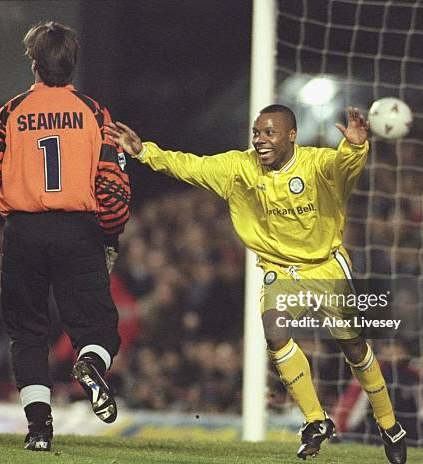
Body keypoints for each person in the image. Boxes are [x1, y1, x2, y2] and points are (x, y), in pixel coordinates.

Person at [106, 105, 407, 463]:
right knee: (275, 330)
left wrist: (355, 148)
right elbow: (190, 165)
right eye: (257, 133)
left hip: (324, 265)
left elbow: (343, 167)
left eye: (269, 133)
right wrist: (143, 152)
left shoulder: (315, 164)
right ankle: (315, 420)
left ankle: (389, 424)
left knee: (354, 347)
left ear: (291, 136)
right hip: (279, 269)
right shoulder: (239, 167)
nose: (260, 140)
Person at [0, 21, 130, 451]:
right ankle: (90, 363)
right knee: (98, 328)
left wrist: (14, 180)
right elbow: (114, 187)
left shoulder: (11, 111)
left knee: (28, 332)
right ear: (72, 64)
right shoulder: (96, 113)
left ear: (34, 64)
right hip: (79, 231)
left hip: (24, 231)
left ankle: (39, 430)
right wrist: (110, 236)